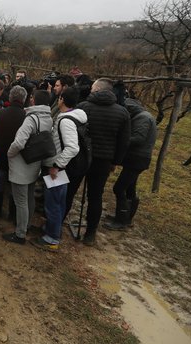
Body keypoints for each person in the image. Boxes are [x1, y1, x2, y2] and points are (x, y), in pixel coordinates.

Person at [78, 78, 130, 246]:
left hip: (80, 157)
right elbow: (123, 142)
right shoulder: (122, 113)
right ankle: (90, 234)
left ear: (97, 90)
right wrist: (115, 161)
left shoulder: (84, 107)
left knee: (70, 190)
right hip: (103, 161)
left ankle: (55, 228)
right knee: (95, 196)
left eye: (93, 88)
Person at [33, 87, 87, 252]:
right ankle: (51, 230)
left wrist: (56, 166)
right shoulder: (76, 116)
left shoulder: (66, 121)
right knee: (58, 202)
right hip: (62, 167)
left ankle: (51, 238)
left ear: (62, 99)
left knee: (54, 203)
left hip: (57, 169)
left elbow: (72, 148)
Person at [3, 90, 53, 244]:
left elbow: (19, 143)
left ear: (33, 101)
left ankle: (20, 234)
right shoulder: (49, 118)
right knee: (30, 197)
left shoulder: (31, 119)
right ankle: (27, 225)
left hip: (21, 166)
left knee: (21, 201)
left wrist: (9, 154)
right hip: (35, 163)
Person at [104, 98, 156, 230]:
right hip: (136, 159)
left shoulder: (143, 118)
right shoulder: (141, 116)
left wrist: (120, 139)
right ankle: (126, 218)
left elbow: (138, 138)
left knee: (119, 188)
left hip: (137, 159)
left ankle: (121, 221)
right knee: (130, 188)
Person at [0, 85, 27, 219]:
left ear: (10, 97)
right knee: (14, 185)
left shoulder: (0, 113)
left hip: (1, 153)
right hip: (18, 156)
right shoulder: (27, 117)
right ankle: (12, 214)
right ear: (24, 99)